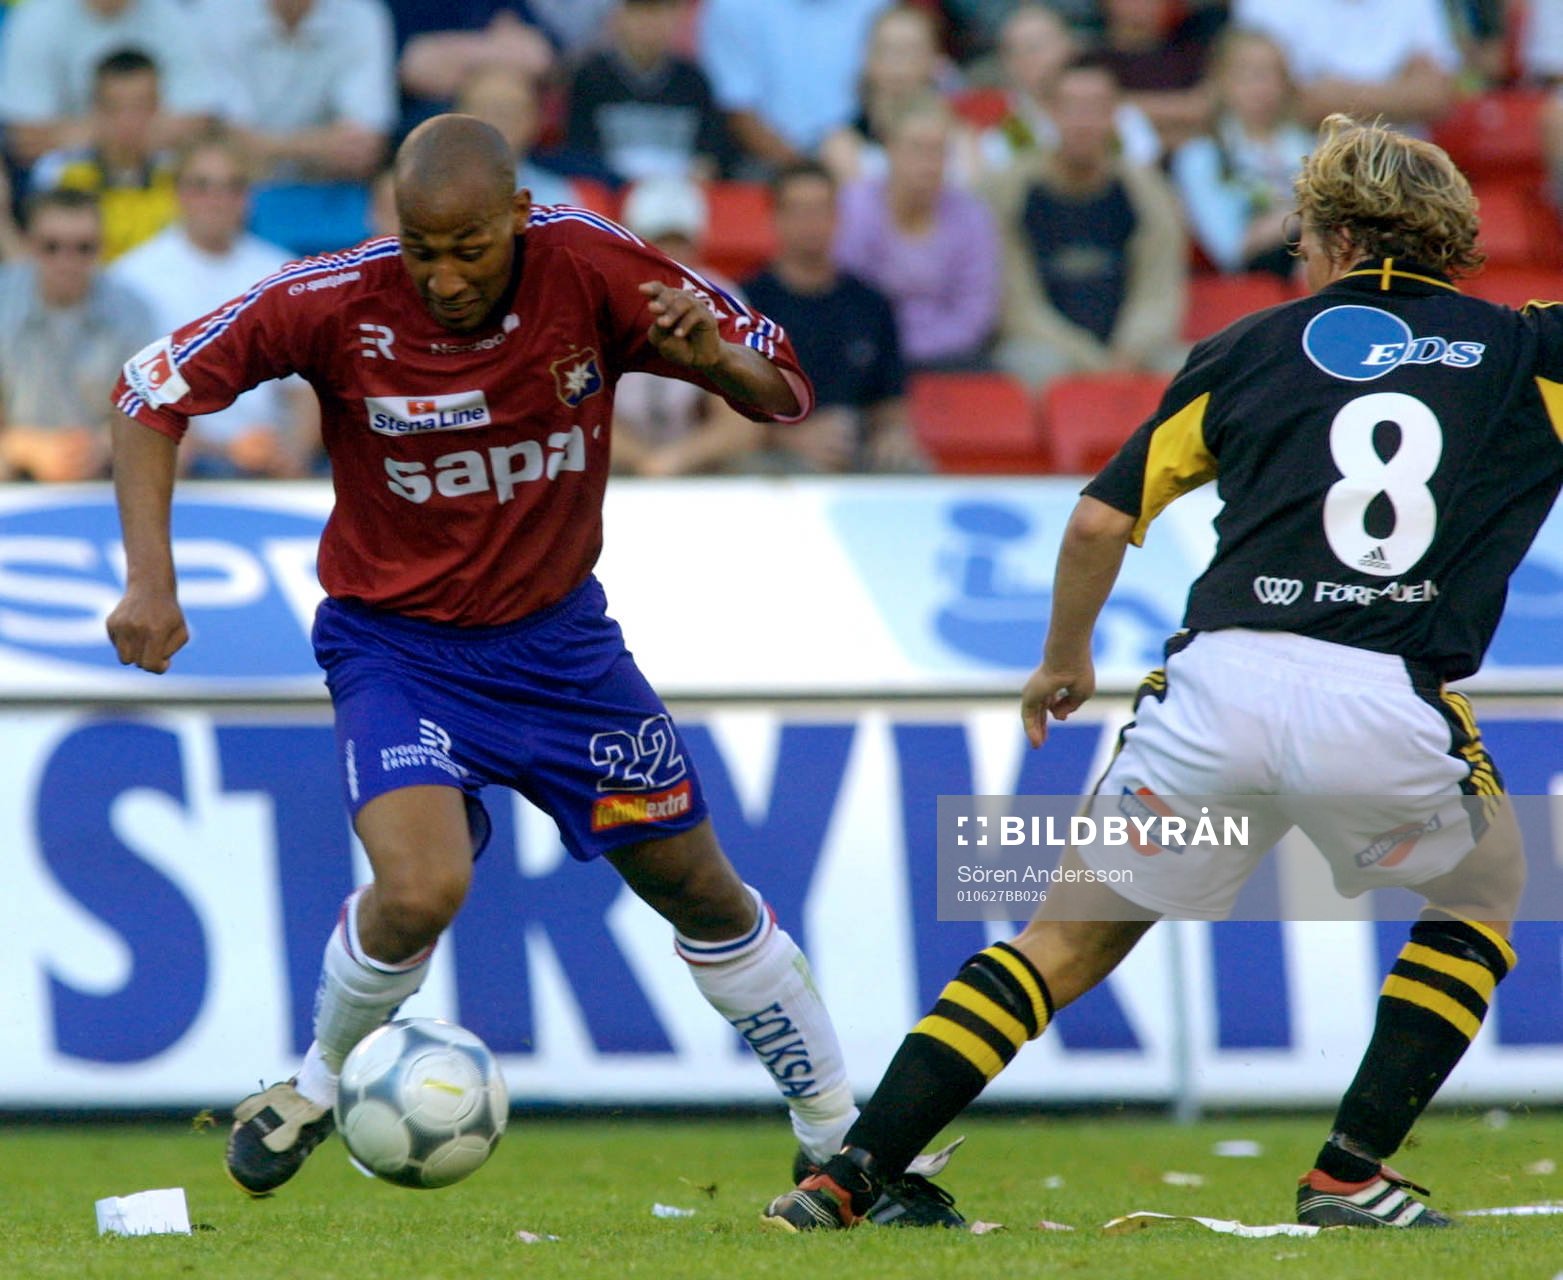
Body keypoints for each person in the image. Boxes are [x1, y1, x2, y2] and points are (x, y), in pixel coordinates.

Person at [103, 114, 949, 1226]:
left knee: (699, 888)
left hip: (561, 654)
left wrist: (711, 359)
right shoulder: (332, 298)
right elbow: (147, 393)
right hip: (396, 647)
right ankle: (315, 1085)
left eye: (469, 249)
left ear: (518, 215)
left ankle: (837, 1138)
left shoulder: (592, 263)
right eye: (422, 249)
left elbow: (784, 388)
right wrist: (149, 580)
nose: (445, 277)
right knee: (421, 888)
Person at [764, 114, 1538, 1232]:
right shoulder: (1526, 351)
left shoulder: (1246, 347)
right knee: (1480, 896)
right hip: (1382, 694)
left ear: (1328, 235)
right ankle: (1348, 1171)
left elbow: (1095, 522)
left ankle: (846, 1177)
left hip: (1219, 688)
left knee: (1061, 942)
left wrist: (1062, 658)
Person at [109, 130, 320, 477]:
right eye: (201, 185)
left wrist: (293, 454)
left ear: (248, 196)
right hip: (175, 462)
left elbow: (305, 389)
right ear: (177, 192)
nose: (216, 200)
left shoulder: (282, 274)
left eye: (231, 187)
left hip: (270, 462)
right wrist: (225, 450)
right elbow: (133, 396)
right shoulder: (132, 276)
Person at [985, 57, 1186, 389]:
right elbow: (1015, 303)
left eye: (1096, 108)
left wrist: (1129, 349)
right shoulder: (1008, 191)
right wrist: (1089, 359)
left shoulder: (1148, 192)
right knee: (1037, 365)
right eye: (1071, 108)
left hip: (1131, 351)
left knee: (1192, 371)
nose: (1083, 122)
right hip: (1044, 345)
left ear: (1115, 114)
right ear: (1049, 111)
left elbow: (1159, 292)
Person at [744, 161, 922, 473]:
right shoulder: (745, 305)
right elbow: (723, 414)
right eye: (799, 210)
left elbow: (890, 399)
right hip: (775, 452)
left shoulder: (871, 304)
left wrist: (891, 434)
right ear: (775, 217)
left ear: (838, 216)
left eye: (821, 209)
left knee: (911, 468)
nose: (811, 223)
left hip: (856, 447)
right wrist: (791, 438)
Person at [612, 175, 764, 476]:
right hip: (613, 459)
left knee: (752, 465)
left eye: (679, 242)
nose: (668, 255)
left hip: (699, 466)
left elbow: (742, 424)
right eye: (657, 241)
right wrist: (644, 461)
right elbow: (576, 408)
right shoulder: (601, 298)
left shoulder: (724, 301)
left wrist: (676, 460)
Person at [833, 97, 1000, 371]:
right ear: (889, 148)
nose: (929, 163)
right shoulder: (854, 208)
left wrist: (915, 350)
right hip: (865, 353)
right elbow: (846, 296)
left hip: (950, 357)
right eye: (917, 149)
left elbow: (975, 313)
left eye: (939, 151)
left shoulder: (971, 216)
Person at [0, 187, 156, 481]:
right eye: (52, 247)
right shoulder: (4, 303)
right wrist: (26, 448)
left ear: (102, 248)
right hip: (14, 483)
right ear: (30, 245)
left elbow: (162, 421)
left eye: (83, 248)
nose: (67, 261)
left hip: (107, 479)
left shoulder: (133, 312)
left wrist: (105, 445)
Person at [195, 0, 396, 183]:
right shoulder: (216, 12)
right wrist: (320, 145)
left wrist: (264, 147)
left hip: (328, 189)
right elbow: (219, 136)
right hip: (232, 189)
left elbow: (364, 148)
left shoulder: (362, 16)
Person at [0, 0, 217, 168]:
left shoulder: (173, 17)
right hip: (64, 179)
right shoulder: (36, 19)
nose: (125, 121)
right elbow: (25, 139)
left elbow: (200, 121)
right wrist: (125, 130)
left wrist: (92, 132)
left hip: (161, 173)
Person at [1171, 28, 1314, 279]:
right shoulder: (1201, 157)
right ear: (1220, 82)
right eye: (1248, 75)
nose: (1262, 87)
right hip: (1252, 280)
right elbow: (1230, 249)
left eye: (1272, 74)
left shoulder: (1312, 147)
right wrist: (1307, 216)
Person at [31, 49, 179, 262]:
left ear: (159, 108)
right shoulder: (60, 173)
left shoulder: (183, 176)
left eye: (141, 107)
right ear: (95, 110)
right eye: (114, 108)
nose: (128, 121)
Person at [978, 4, 1161, 175]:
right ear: (1007, 64)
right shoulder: (1000, 128)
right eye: (1016, 51)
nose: (1030, 58)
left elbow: (1144, 176)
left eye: (1038, 46)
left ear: (1069, 47)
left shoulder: (1119, 115)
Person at [566, 0, 731, 184]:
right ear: (617, 17)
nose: (648, 24)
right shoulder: (591, 78)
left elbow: (711, 153)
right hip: (610, 191)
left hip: (680, 192)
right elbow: (580, 151)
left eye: (658, 14)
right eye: (638, 14)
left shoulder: (694, 82)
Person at [819, 5, 981, 189]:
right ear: (867, 59)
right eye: (887, 51)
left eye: (910, 51)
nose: (898, 65)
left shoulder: (961, 140)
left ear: (935, 60)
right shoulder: (842, 145)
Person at [1233, 0, 1459, 132]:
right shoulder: (1266, 5)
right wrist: (1401, 91)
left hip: (1406, 174)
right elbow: (1286, 104)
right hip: (1298, 175)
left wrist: (1332, 94)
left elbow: (1436, 97)